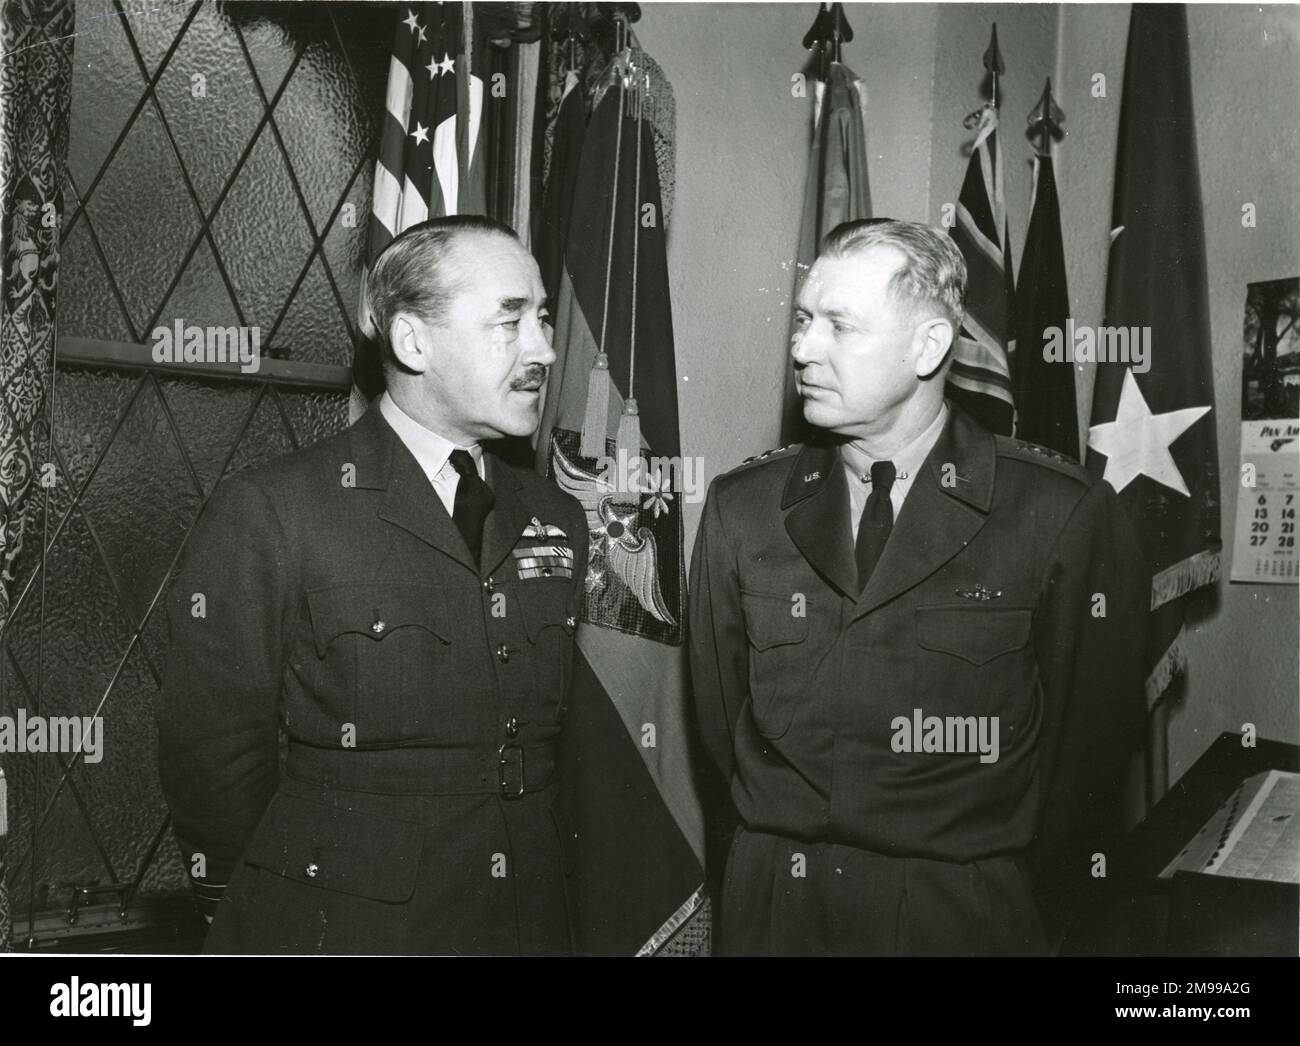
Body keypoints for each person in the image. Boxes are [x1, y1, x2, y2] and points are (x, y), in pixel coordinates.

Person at [688, 218, 1147, 955]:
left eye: (840, 325)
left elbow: (1084, 756)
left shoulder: (1056, 512)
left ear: (928, 345)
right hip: (775, 906)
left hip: (960, 911)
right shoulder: (744, 507)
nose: (802, 348)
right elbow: (719, 724)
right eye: (804, 321)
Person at [158, 215, 587, 955]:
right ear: (413, 341)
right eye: (510, 322)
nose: (544, 350)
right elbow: (214, 757)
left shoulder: (556, 515)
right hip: (353, 928)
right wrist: (267, 908)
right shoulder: (277, 510)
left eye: (543, 320)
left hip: (529, 920)